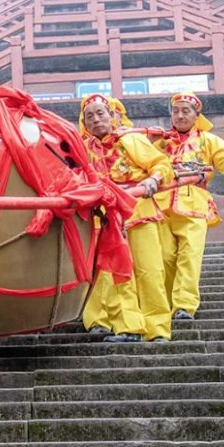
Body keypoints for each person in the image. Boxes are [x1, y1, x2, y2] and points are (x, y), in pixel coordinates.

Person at [79, 94, 175, 343]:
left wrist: (154, 179)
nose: (96, 119)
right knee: (115, 274)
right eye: (89, 116)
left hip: (138, 211)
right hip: (105, 218)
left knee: (149, 271)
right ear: (84, 123)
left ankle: (158, 329)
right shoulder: (82, 150)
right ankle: (128, 327)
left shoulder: (130, 140)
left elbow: (161, 163)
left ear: (113, 117)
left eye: (101, 113)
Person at [153, 93, 224, 320]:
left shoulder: (209, 140)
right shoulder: (161, 142)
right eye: (176, 111)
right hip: (161, 207)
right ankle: (166, 303)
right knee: (164, 257)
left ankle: (184, 305)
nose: (180, 115)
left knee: (190, 256)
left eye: (186, 111)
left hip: (194, 205)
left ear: (197, 115)